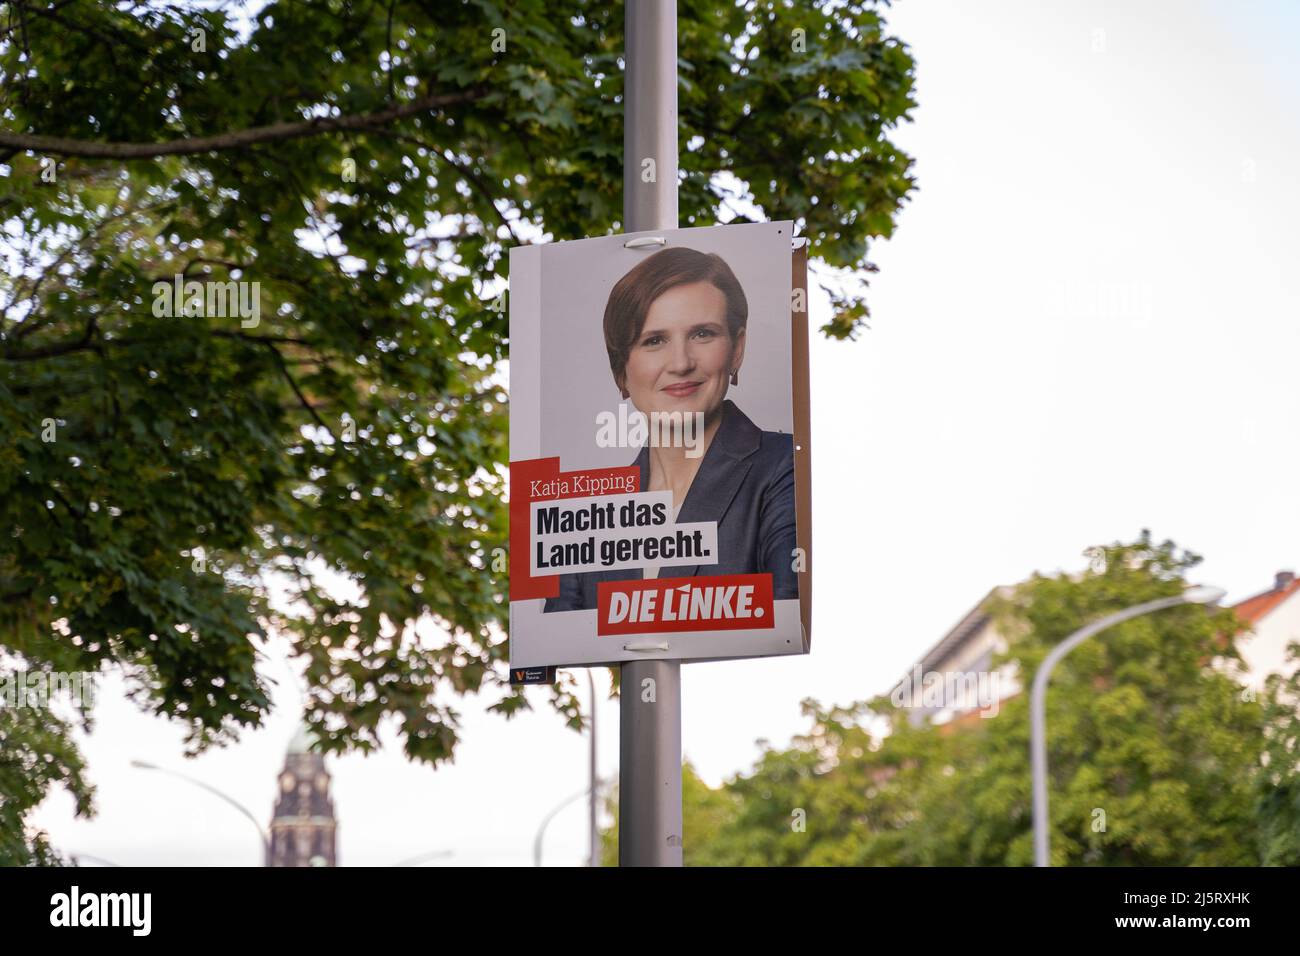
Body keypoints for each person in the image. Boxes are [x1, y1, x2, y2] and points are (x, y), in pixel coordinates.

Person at [544, 246, 798, 613]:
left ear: (737, 349)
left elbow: (785, 616)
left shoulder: (783, 465)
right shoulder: (591, 513)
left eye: (702, 334)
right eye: (654, 340)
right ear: (621, 371)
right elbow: (559, 640)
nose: (680, 363)